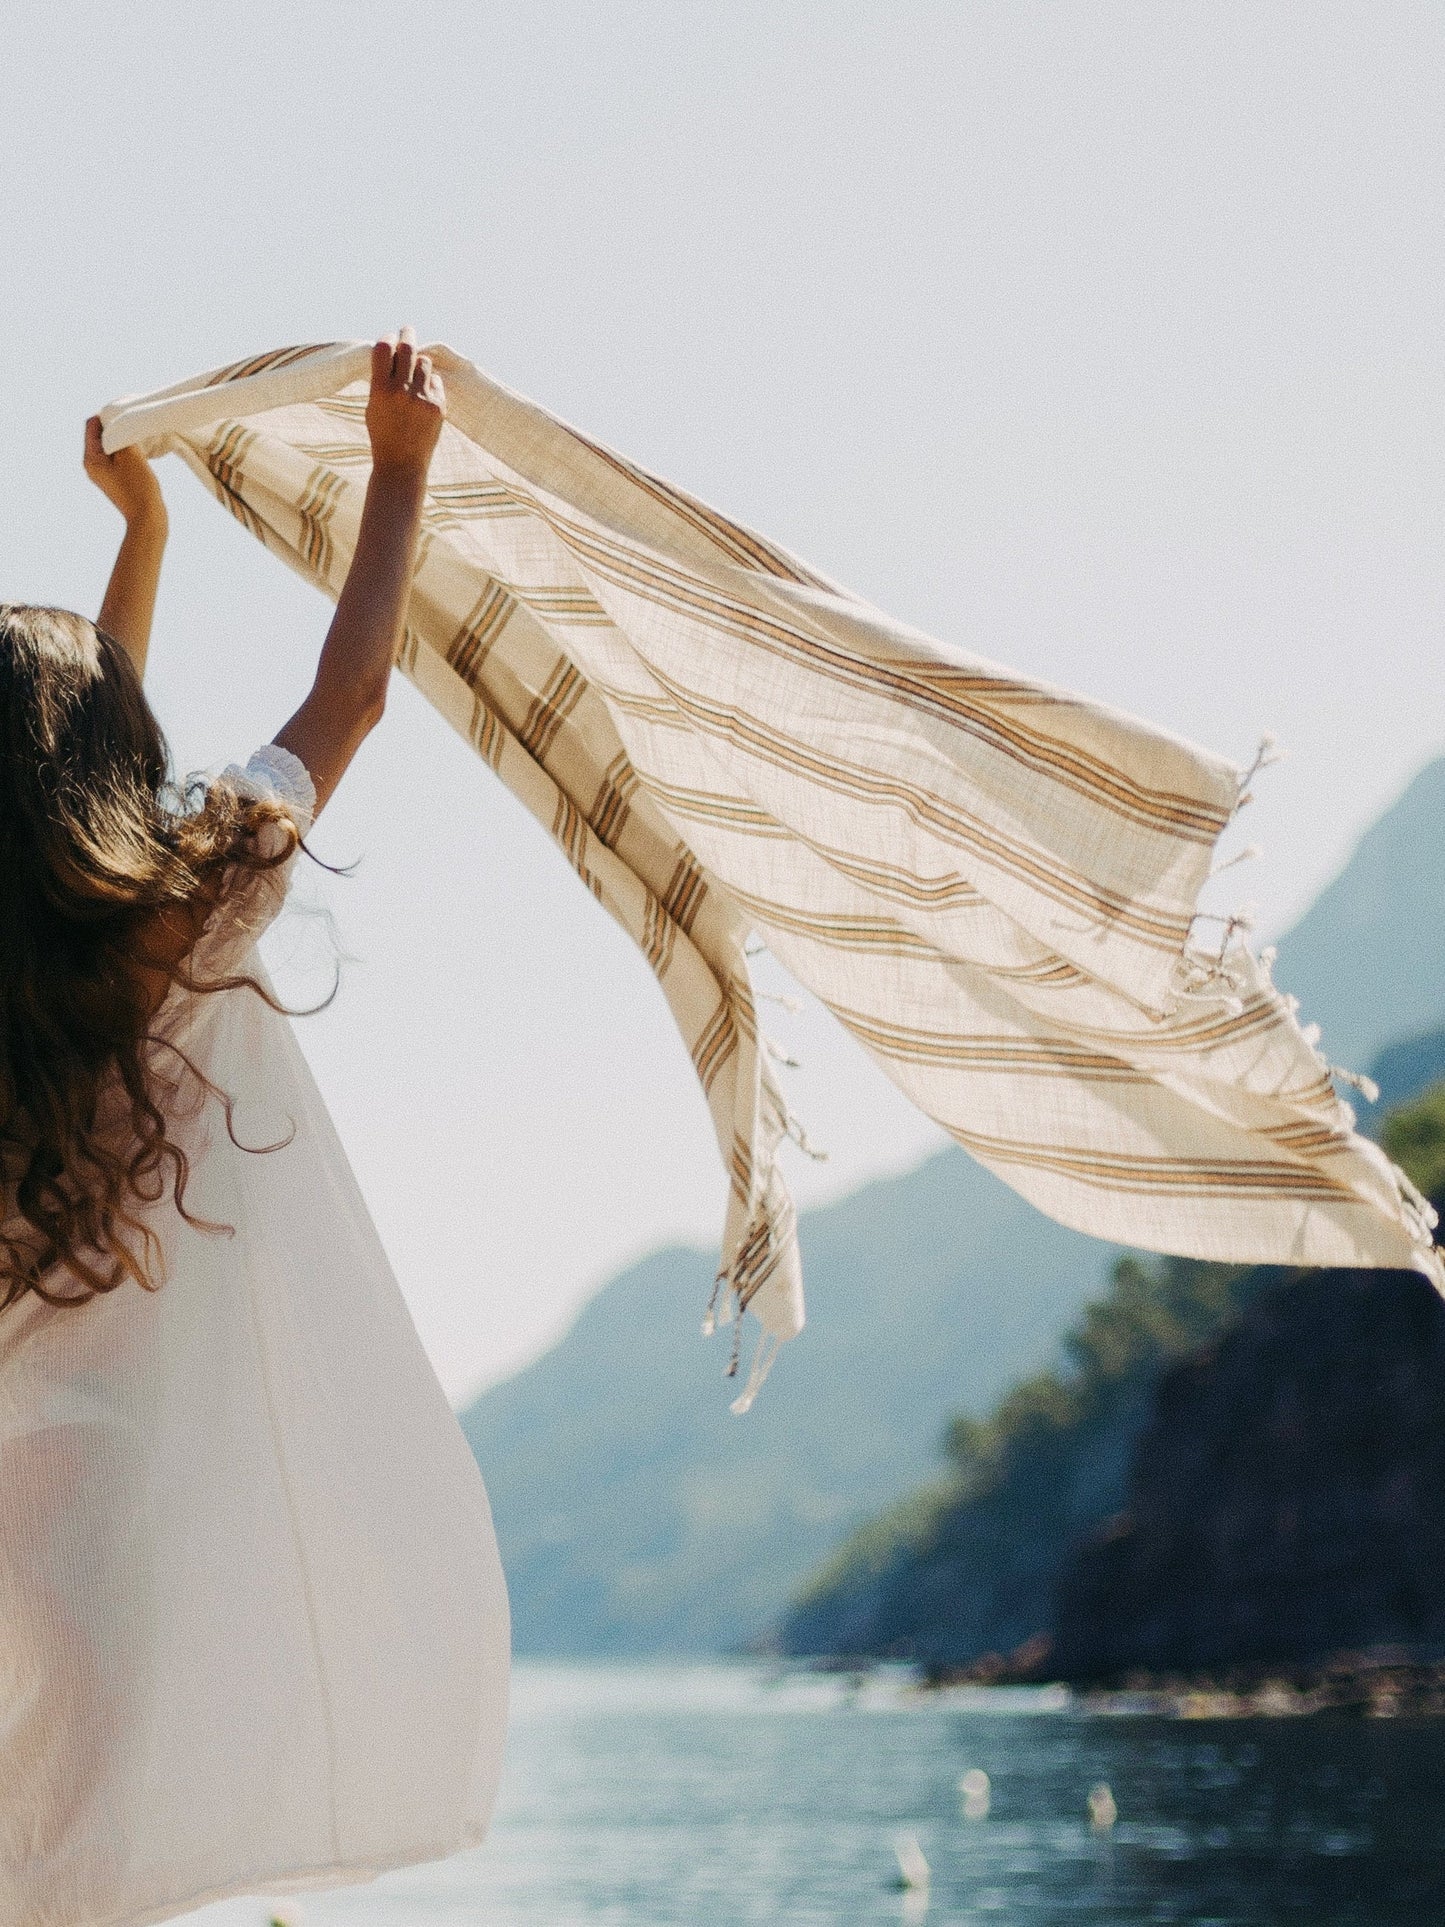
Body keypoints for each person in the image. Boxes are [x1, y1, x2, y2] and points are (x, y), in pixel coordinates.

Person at [0, 333, 510, 1927]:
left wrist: (140, 544)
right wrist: (404, 470)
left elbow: (72, 785)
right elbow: (345, 699)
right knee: (82, 1856)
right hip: (108, 1502)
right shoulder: (181, 924)